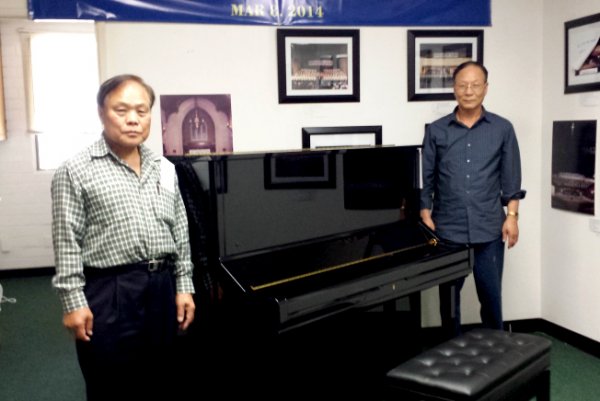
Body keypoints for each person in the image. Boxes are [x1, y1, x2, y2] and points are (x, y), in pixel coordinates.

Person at [51, 74, 196, 401]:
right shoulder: (75, 170)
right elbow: (66, 241)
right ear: (101, 113)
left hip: (162, 286)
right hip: (110, 290)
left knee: (163, 376)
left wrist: (184, 285)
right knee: (111, 383)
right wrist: (72, 301)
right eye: (122, 110)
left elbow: (180, 229)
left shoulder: (164, 167)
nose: (133, 119)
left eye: (142, 111)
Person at [420, 61, 525, 337]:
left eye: (475, 85)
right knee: (448, 303)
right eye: (463, 85)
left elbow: (511, 178)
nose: (469, 91)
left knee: (491, 298)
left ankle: (495, 349)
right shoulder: (436, 130)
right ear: (454, 89)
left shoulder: (502, 128)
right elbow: (426, 177)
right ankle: (450, 351)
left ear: (485, 88)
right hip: (447, 230)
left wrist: (512, 217)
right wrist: (425, 212)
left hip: (489, 228)